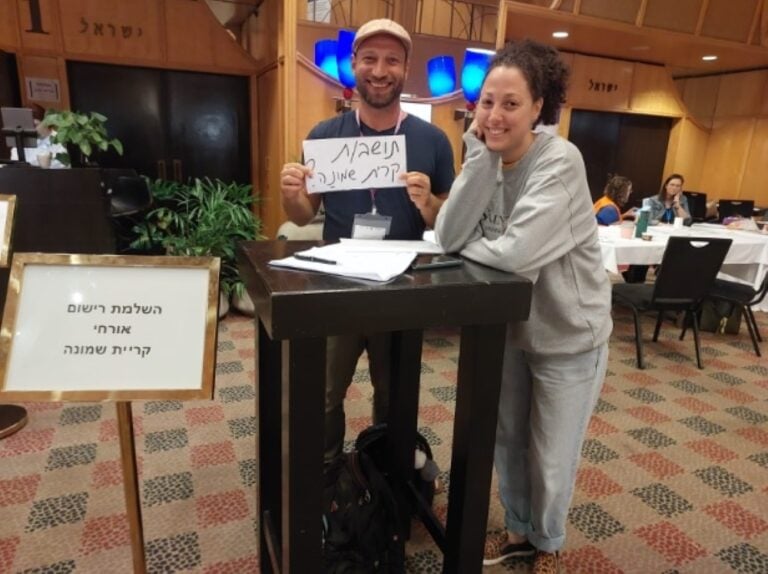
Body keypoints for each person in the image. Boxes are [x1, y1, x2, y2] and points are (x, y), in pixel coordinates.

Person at [434, 39, 611, 573]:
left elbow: (515, 254)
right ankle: (518, 533)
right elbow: (446, 233)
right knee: (509, 442)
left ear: (539, 108)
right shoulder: (486, 157)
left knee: (551, 457)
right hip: (510, 330)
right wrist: (479, 159)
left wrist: (465, 243)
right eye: (487, 102)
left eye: (511, 103)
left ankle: (548, 542)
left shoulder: (558, 161)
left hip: (567, 335)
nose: (495, 115)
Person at [279, 18, 455, 462]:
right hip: (336, 286)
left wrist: (427, 204)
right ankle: (324, 476)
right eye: (370, 58)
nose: (380, 70)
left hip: (400, 287)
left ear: (405, 68)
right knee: (323, 392)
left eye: (392, 60)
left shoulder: (432, 140)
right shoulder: (324, 136)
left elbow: (448, 220)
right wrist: (291, 196)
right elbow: (302, 213)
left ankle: (386, 473)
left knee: (395, 395)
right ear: (354, 64)